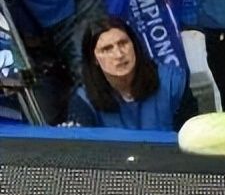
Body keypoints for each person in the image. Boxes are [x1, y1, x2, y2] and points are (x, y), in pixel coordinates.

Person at [66, 18, 197, 131]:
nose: (119, 54)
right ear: (94, 59)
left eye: (123, 43)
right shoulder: (83, 101)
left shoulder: (172, 83)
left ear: (134, 45)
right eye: (107, 49)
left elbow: (191, 139)